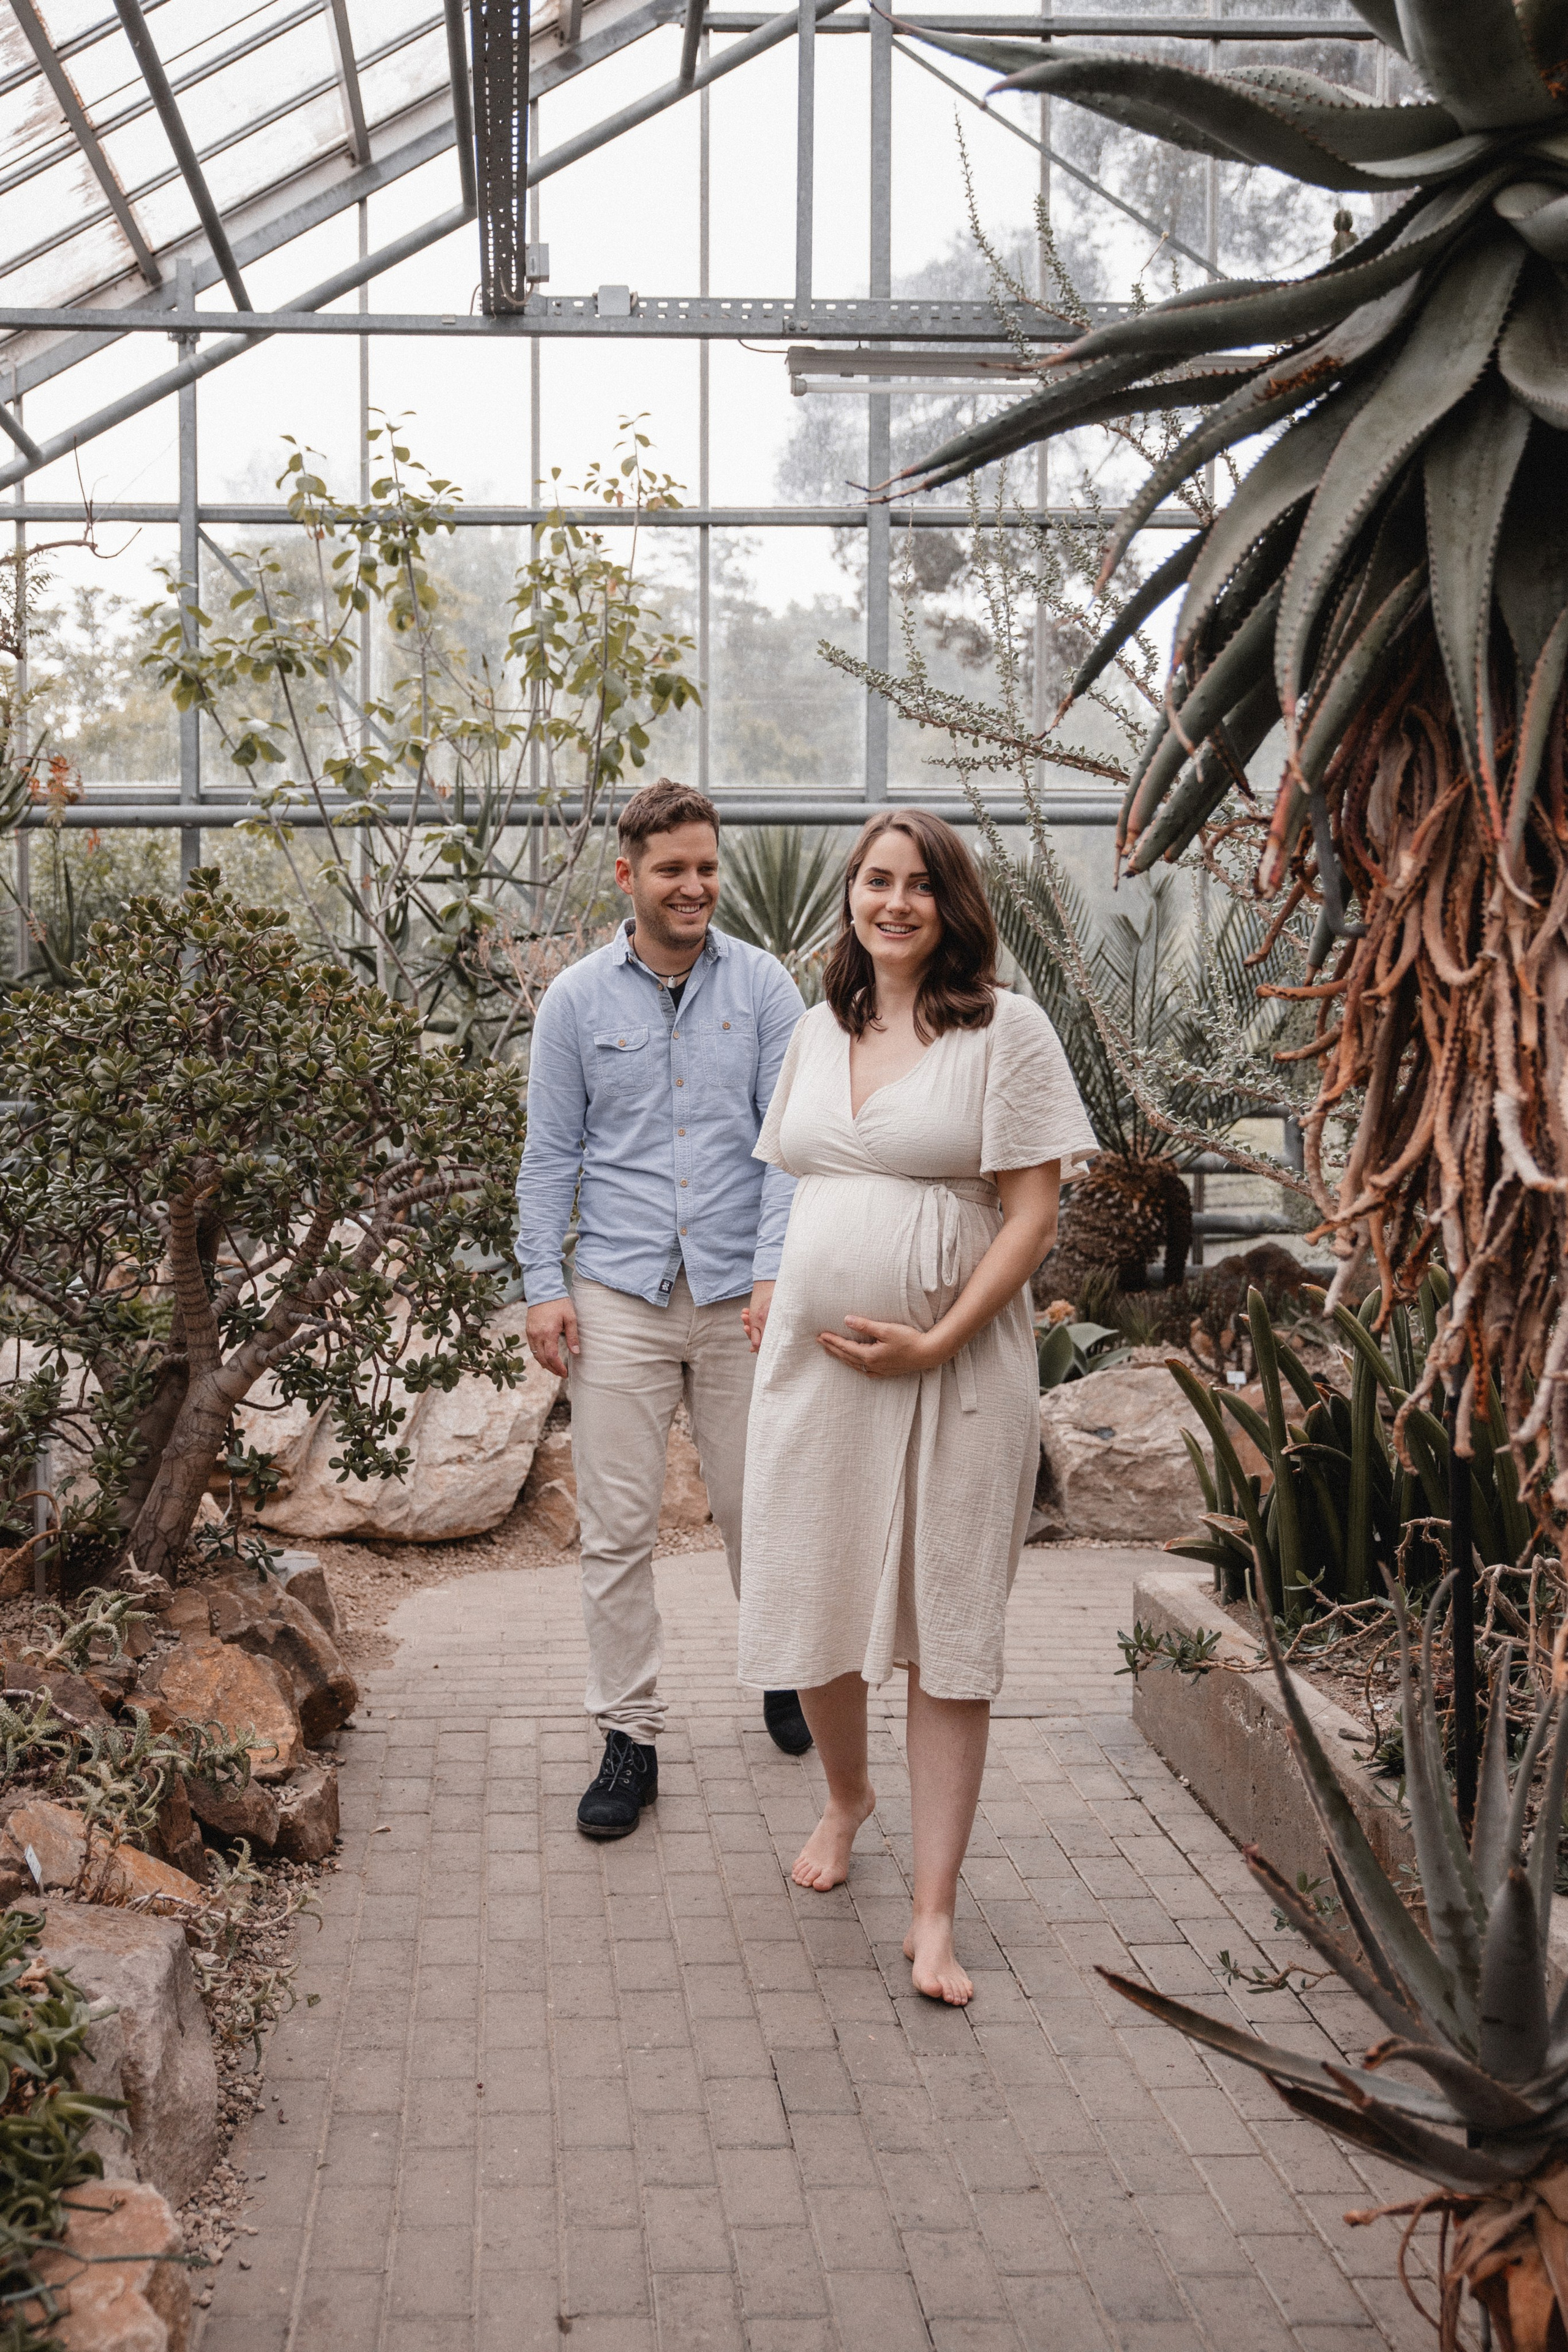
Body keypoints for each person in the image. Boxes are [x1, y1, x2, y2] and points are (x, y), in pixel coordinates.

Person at [737, 810, 1097, 2002]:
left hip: (958, 1372)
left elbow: (1031, 1214)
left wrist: (937, 1334)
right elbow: (801, 1189)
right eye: (874, 881)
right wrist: (778, 1291)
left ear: (950, 904)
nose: (891, 902)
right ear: (852, 895)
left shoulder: (1005, 1029)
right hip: (819, 1367)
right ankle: (847, 1798)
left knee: (948, 1631)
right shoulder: (811, 1027)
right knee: (814, 1603)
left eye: (916, 885)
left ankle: (933, 1917)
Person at [516, 777, 811, 1841]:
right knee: (617, 1530)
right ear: (628, 876)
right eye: (673, 869)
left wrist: (777, 1272)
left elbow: (788, 1149)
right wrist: (543, 1286)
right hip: (621, 1297)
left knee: (760, 1508)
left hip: (740, 1293)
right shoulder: (576, 1002)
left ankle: (783, 1670)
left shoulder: (768, 987)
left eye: (706, 867)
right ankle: (630, 1738)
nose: (695, 887)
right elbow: (550, 1155)